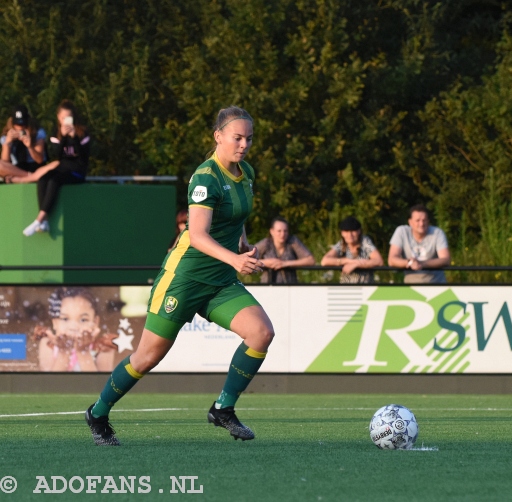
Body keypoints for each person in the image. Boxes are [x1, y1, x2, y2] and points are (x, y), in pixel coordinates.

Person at [84, 106, 273, 446]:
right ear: (218, 136)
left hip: (219, 281)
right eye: (237, 137)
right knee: (146, 358)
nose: (244, 144)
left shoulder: (246, 172)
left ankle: (223, 409)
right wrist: (235, 259)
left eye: (249, 138)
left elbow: (237, 216)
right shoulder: (206, 177)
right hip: (184, 279)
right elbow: (198, 236)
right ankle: (98, 413)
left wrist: (243, 244)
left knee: (261, 332)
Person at [13, 100, 91, 236]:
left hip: (77, 171)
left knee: (55, 180)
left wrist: (74, 139)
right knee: (44, 179)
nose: (65, 121)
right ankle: (45, 222)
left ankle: (39, 219)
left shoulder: (83, 132)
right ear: (58, 118)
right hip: (63, 167)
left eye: (68, 117)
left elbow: (83, 157)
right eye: (62, 118)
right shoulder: (56, 133)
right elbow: (58, 155)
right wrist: (63, 139)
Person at [35, 287, 116, 372]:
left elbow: (101, 384)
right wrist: (64, 352)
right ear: (55, 323)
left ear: (95, 322)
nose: (73, 327)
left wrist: (83, 352)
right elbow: (49, 383)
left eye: (83, 320)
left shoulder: (104, 347)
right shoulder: (48, 344)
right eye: (65, 319)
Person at [388, 205, 451, 283]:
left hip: (436, 286)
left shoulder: (437, 233)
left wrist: (422, 264)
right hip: (410, 288)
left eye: (424, 220)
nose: (421, 224)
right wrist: (409, 263)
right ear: (410, 222)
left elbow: (446, 259)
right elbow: (392, 260)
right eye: (417, 220)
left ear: (428, 221)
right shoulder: (401, 232)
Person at [321, 216, 384, 283]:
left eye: (353, 231)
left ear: (359, 231)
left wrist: (356, 264)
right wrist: (348, 261)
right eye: (346, 231)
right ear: (342, 233)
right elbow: (324, 261)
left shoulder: (365, 242)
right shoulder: (342, 244)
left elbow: (379, 261)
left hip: (366, 288)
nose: (350, 235)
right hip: (346, 288)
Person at [253, 216, 315, 283]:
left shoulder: (292, 241)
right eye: (279, 231)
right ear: (272, 231)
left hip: (290, 288)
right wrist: (266, 263)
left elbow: (310, 260)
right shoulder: (266, 243)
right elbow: (248, 259)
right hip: (268, 287)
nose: (282, 234)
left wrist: (286, 263)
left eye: (285, 231)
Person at [0, 105, 47, 180]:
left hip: (35, 167)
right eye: (17, 124)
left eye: (23, 124)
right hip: (17, 169)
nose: (20, 128)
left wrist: (30, 146)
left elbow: (40, 160)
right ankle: (29, 176)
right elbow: (5, 162)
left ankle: (22, 178)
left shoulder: (38, 133)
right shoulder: (6, 137)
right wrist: (7, 143)